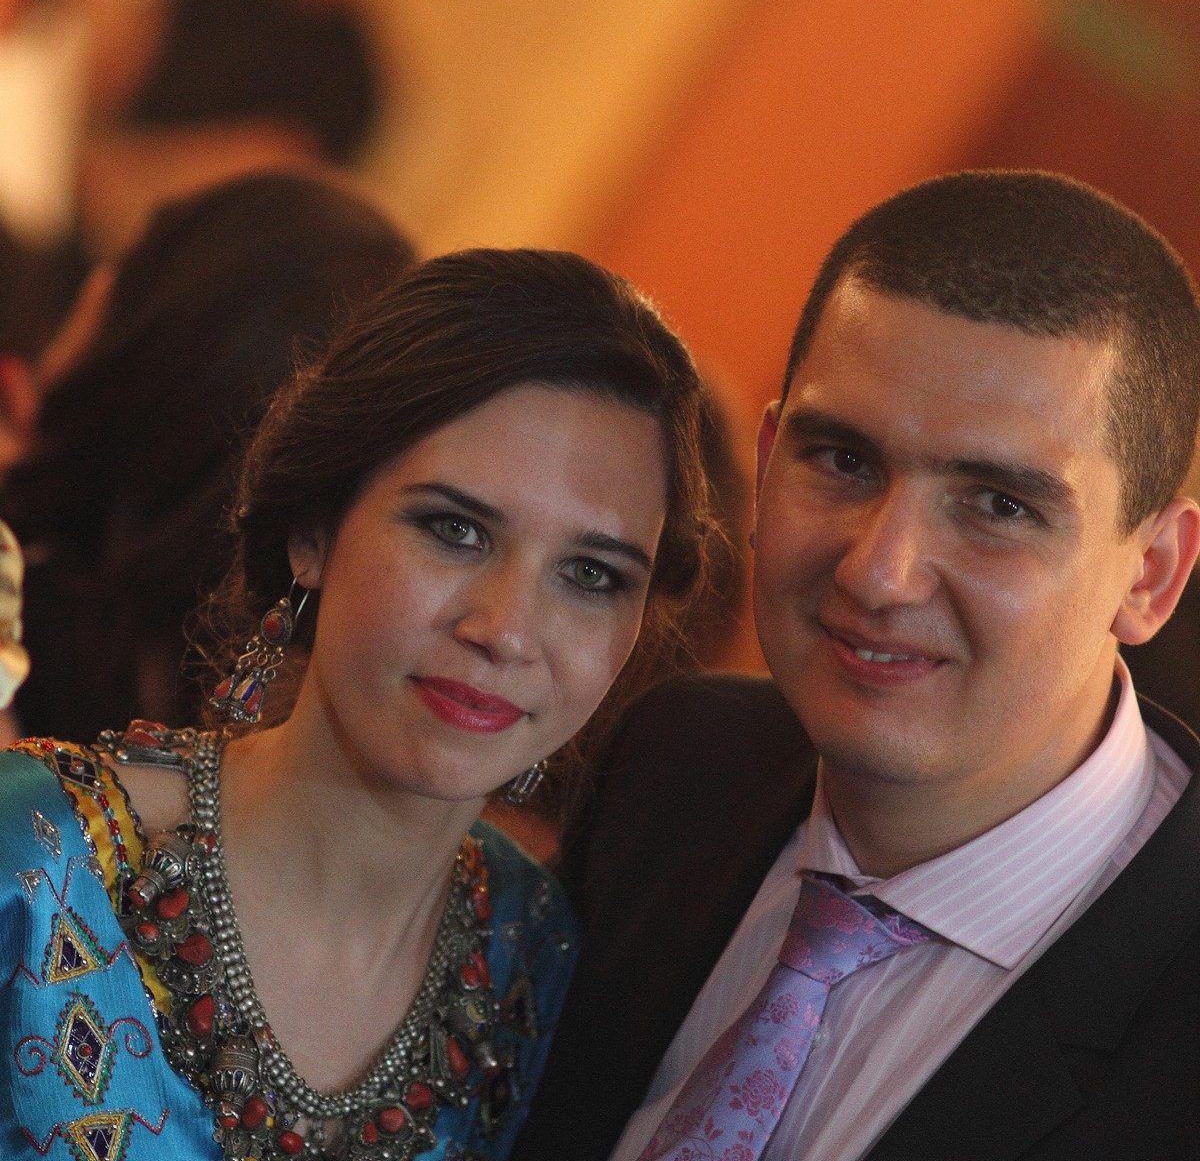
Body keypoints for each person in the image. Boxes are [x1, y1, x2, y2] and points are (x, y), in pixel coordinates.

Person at [511, 170, 1200, 1161]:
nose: (879, 572)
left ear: (1152, 573)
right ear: (766, 460)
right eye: (843, 461)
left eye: (999, 505)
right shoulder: (672, 765)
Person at [0, 246, 715, 1159]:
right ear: (313, 532)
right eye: (454, 529)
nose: (506, 630)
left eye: (591, 575)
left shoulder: (541, 969)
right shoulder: (32, 864)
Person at [0, 168, 414, 743]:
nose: (96, 282)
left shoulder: (27, 603)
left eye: (135, 261)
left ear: (158, 338)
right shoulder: (242, 727)